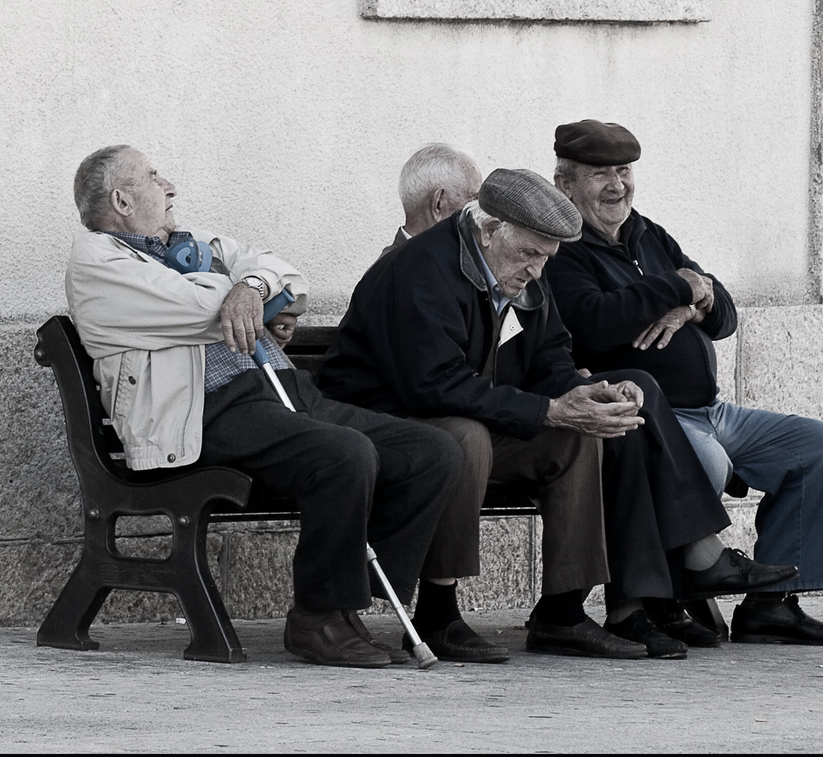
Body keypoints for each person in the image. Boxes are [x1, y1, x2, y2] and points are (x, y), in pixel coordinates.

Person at [318, 168, 794, 663]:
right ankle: (437, 614)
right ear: (487, 229)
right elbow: (434, 386)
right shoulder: (419, 270)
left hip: (466, 411)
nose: (536, 271)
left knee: (578, 435)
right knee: (466, 437)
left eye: (547, 258)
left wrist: (588, 393)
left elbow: (549, 359)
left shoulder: (520, 274)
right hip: (381, 421)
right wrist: (549, 409)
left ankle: (562, 612)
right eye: (528, 254)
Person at [63, 145, 462, 668]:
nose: (170, 185)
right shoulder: (98, 260)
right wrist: (248, 294)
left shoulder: (191, 245)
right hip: (206, 412)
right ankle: (317, 616)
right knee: (344, 454)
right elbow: (200, 308)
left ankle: (352, 599)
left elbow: (286, 273)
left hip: (283, 390)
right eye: (154, 175)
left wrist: (251, 287)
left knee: (431, 450)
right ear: (120, 199)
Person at [545, 119, 823, 646]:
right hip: (653, 417)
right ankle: (670, 595)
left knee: (815, 446)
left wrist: (693, 304)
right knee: (705, 463)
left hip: (712, 411)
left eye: (624, 171)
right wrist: (678, 286)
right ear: (565, 183)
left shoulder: (648, 234)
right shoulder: (563, 249)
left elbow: (723, 311)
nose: (618, 185)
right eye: (601, 174)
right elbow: (594, 319)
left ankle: (771, 607)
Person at [391, 143, 483, 251]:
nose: (480, 210)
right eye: (474, 199)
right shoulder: (404, 266)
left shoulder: (439, 256)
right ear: (439, 204)